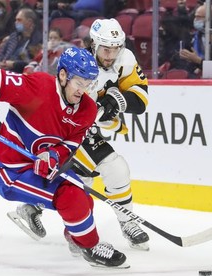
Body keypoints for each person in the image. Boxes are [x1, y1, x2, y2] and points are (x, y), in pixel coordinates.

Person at [0, 46, 129, 269]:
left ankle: (75, 236)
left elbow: (70, 145)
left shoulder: (87, 110)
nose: (84, 90)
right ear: (63, 76)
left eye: (89, 84)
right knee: (72, 197)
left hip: (35, 165)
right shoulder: (37, 86)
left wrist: (54, 156)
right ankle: (90, 247)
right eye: (79, 83)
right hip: (8, 167)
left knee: (84, 199)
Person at [19, 18, 151, 252]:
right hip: (69, 127)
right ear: (94, 44)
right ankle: (91, 228)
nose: (111, 55)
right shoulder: (81, 63)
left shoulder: (125, 59)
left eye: (115, 49)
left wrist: (115, 100)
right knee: (106, 170)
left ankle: (37, 210)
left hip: (87, 129)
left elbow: (140, 100)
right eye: (106, 49)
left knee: (82, 177)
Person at [0, 8, 42, 73]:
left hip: (21, 74)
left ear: (29, 22)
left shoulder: (38, 39)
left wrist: (14, 64)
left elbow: (33, 63)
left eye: (19, 20)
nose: (16, 22)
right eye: (16, 20)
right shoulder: (13, 36)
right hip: (3, 70)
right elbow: (1, 53)